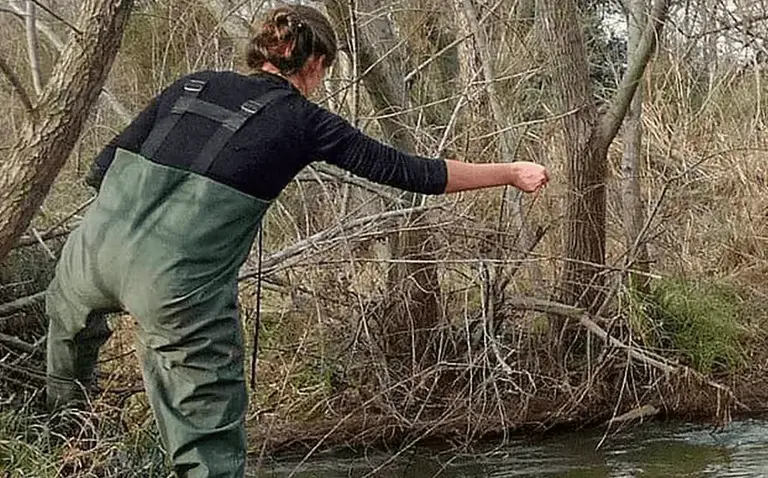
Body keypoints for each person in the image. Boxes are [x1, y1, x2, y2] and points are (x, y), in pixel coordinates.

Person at [45, 3, 549, 477]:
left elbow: (102, 168)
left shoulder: (192, 84)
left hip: (87, 257)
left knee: (68, 347)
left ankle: (67, 449)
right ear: (316, 64)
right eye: (326, 72)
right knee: (206, 427)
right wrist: (508, 171)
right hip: (174, 284)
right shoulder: (306, 120)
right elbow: (408, 171)